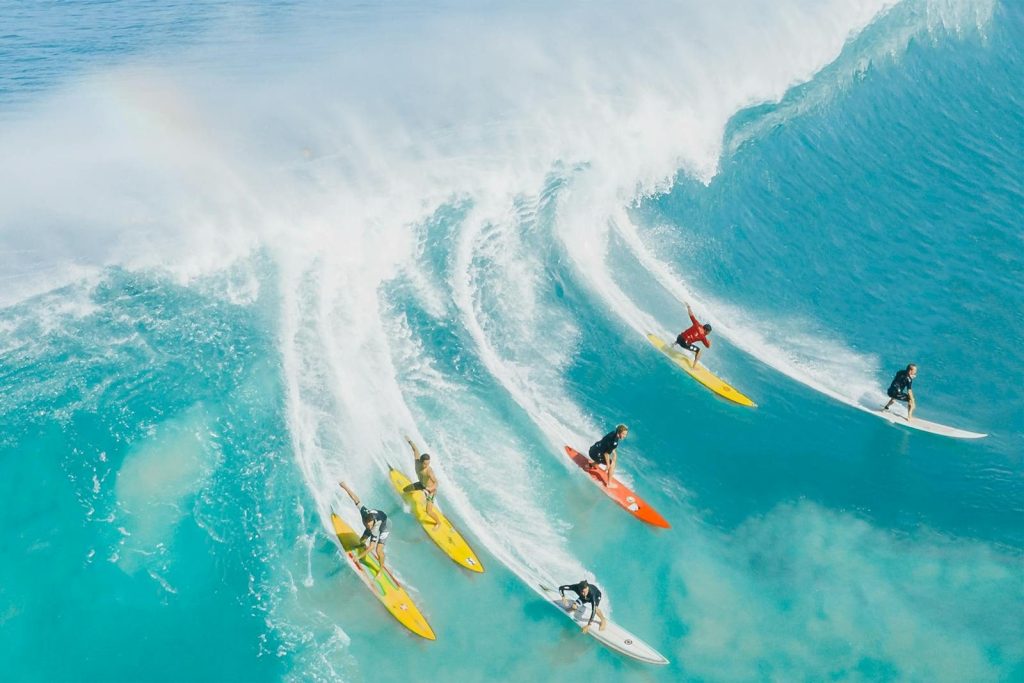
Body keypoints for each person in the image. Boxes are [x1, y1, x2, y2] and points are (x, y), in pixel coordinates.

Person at [338, 481, 390, 576]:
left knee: (378, 550)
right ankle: (362, 546)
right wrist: (345, 486)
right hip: (375, 518)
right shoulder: (364, 513)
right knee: (361, 541)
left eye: (370, 526)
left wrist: (358, 557)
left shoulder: (374, 527)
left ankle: (381, 569)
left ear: (373, 523)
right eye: (367, 525)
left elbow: (371, 547)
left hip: (384, 525)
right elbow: (356, 499)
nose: (369, 527)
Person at [402, 436, 441, 526]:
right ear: (421, 461)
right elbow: (415, 450)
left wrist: (428, 489)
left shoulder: (429, 471)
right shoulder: (417, 461)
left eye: (428, 463)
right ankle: (412, 497)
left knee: (428, 511)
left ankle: (438, 523)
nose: (427, 465)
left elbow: (436, 483)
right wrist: (410, 441)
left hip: (431, 491)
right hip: (421, 484)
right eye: (425, 463)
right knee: (405, 490)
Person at [673, 303, 713, 368]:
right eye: (708, 332)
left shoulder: (697, 324)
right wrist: (710, 342)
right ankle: (693, 367)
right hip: (684, 344)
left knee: (683, 335)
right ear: (706, 331)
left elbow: (691, 315)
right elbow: (708, 346)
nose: (708, 334)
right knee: (699, 351)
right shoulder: (703, 336)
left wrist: (688, 307)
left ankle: (672, 345)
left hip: (679, 338)